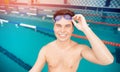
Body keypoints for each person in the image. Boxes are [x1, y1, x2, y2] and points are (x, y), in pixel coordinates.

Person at [29, 9, 114, 72]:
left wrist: (85, 29)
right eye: (58, 25)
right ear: (54, 27)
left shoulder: (80, 49)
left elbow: (107, 61)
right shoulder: (46, 49)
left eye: (67, 26)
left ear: (72, 28)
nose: (62, 30)